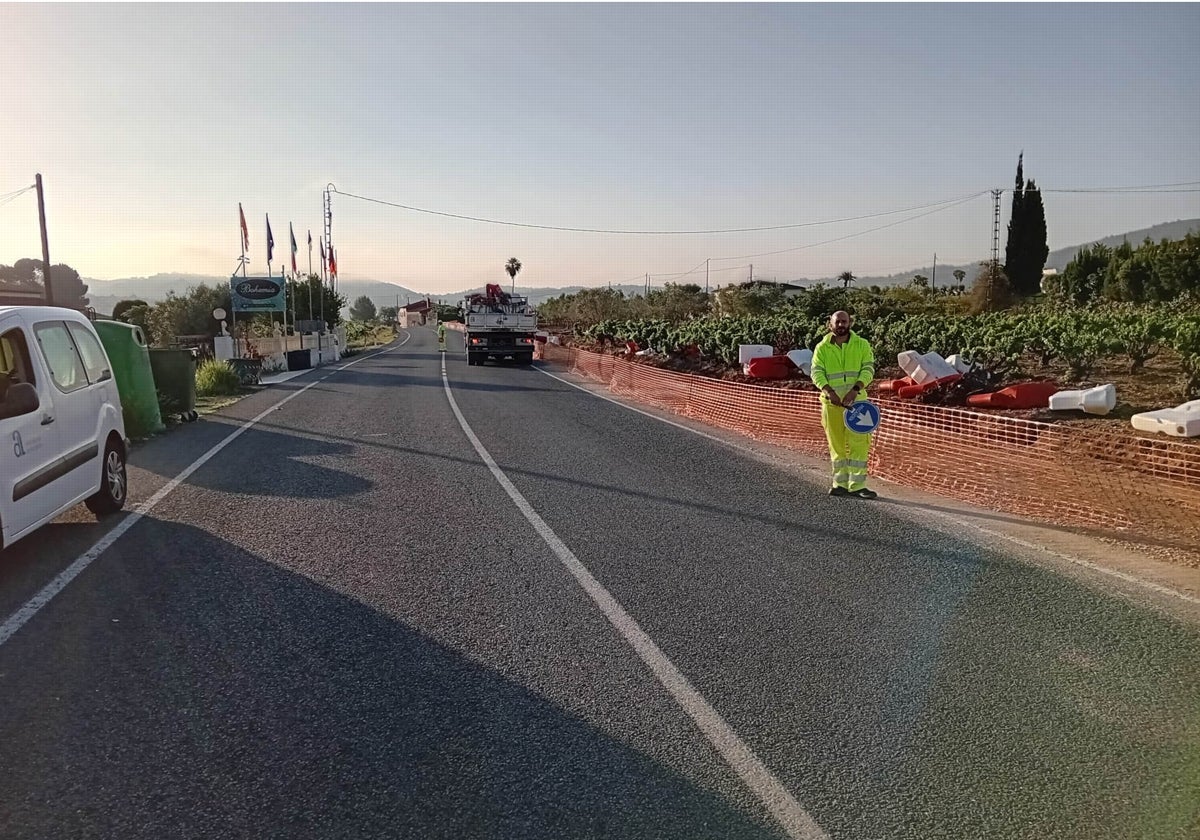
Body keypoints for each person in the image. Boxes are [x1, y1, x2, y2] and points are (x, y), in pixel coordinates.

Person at [811, 310, 877, 499]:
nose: (841, 325)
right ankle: (839, 484)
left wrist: (855, 389)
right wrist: (829, 391)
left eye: (844, 321)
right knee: (836, 445)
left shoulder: (861, 345)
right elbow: (816, 372)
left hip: (858, 405)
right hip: (831, 405)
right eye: (837, 322)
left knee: (859, 444)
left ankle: (858, 486)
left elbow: (868, 368)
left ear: (850, 323)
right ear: (830, 324)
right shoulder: (822, 348)